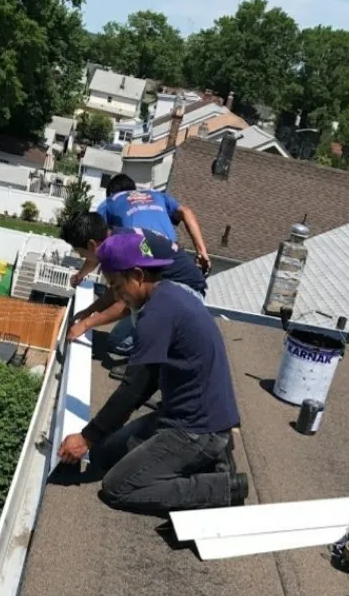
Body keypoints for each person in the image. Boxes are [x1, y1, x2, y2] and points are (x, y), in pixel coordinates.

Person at [58, 230, 247, 514]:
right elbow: (145, 384)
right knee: (105, 453)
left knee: (117, 487)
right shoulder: (168, 295)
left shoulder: (156, 315)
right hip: (183, 415)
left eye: (118, 286)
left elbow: (133, 390)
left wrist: (85, 437)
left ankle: (223, 487)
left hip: (196, 430)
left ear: (138, 275)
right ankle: (209, 457)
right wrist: (95, 439)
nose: (118, 295)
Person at [60, 211, 207, 354]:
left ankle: (154, 355)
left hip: (187, 292)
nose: (83, 257)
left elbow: (125, 301)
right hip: (176, 288)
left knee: (121, 339)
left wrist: (86, 324)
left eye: (82, 253)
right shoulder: (117, 237)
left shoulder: (119, 249)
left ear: (92, 245)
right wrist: (89, 311)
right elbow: (115, 292)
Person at [66, 173, 211, 288]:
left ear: (110, 192)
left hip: (143, 252)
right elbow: (186, 211)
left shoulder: (109, 202)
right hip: (172, 256)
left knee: (125, 290)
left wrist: (79, 276)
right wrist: (202, 251)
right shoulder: (156, 195)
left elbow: (97, 247)